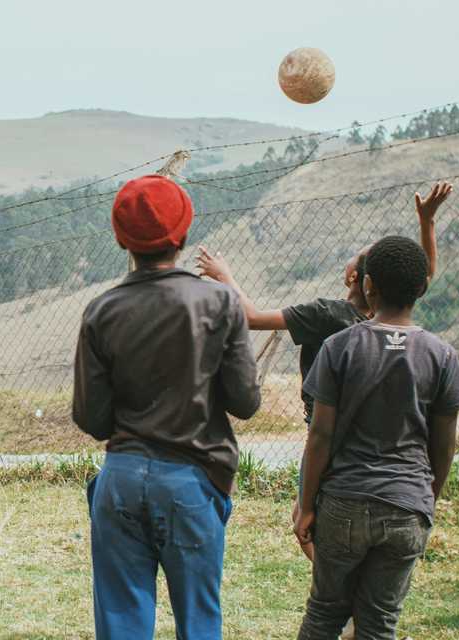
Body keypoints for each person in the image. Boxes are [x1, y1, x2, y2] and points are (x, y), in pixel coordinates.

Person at [196, 182, 452, 560]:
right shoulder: (387, 319)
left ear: (357, 278)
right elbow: (422, 275)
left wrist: (225, 276)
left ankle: (336, 587)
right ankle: (346, 585)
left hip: (329, 433)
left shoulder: (326, 314)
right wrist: (426, 223)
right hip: (377, 436)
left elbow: (250, 317)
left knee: (307, 518)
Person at [73, 174, 260, 640]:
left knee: (121, 623)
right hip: (192, 482)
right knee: (198, 623)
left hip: (119, 481)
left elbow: (92, 420)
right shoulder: (219, 302)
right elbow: (245, 401)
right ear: (184, 231)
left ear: (121, 239)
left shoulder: (101, 311)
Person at [293, 235, 459, 639]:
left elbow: (320, 434)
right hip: (407, 505)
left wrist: (306, 504)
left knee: (324, 614)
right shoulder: (441, 355)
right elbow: (444, 446)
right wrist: (425, 499)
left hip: (343, 504)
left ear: (367, 285)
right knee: (378, 624)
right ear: (422, 288)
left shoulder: (339, 347)